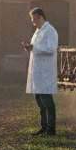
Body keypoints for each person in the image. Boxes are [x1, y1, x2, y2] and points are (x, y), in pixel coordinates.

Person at [22, 7, 58, 136]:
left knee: (46, 100)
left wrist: (34, 47)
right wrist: (30, 47)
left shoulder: (50, 31)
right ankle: (43, 127)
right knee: (39, 99)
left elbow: (51, 49)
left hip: (45, 71)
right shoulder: (38, 31)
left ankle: (51, 128)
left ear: (39, 16)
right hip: (38, 71)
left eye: (33, 18)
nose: (32, 21)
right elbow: (37, 48)